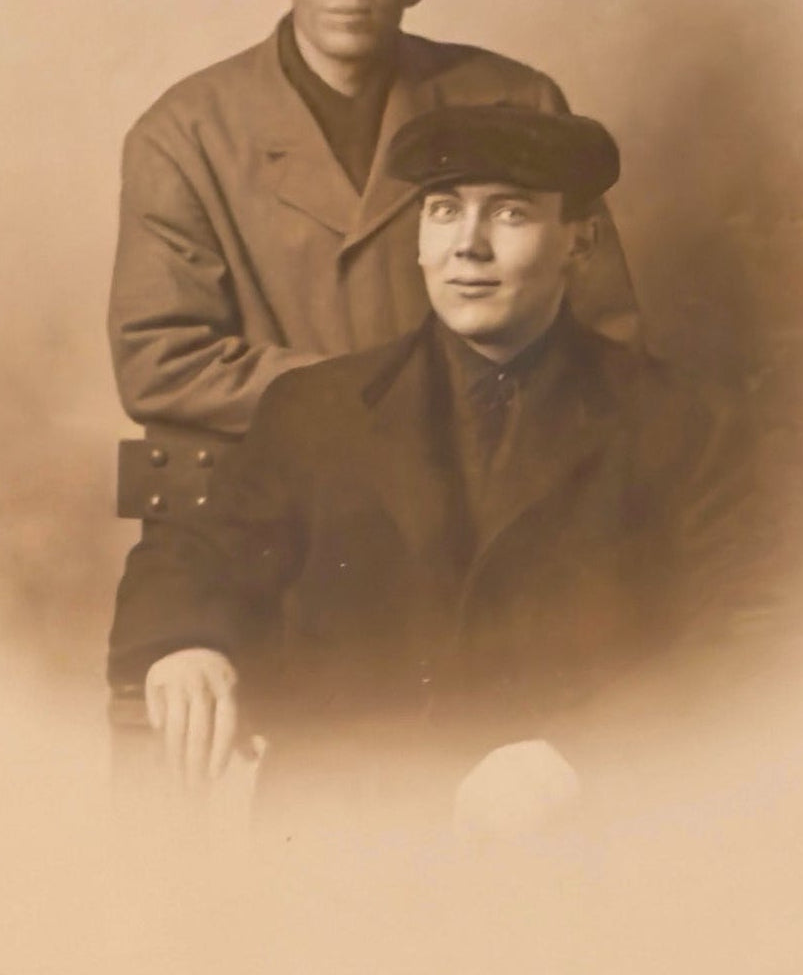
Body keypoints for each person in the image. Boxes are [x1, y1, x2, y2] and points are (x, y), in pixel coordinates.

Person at [108, 104, 753, 815]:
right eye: (444, 211)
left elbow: (748, 636)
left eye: (509, 215)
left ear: (580, 242)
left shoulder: (680, 420)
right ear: (418, 237)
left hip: (573, 833)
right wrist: (186, 643)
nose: (466, 247)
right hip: (341, 834)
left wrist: (582, 753)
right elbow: (192, 552)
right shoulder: (314, 408)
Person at [108, 0, 638, 531]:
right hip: (275, 511)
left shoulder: (517, 101)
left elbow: (606, 332)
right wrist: (387, 395)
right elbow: (160, 362)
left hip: (485, 503)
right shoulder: (183, 133)